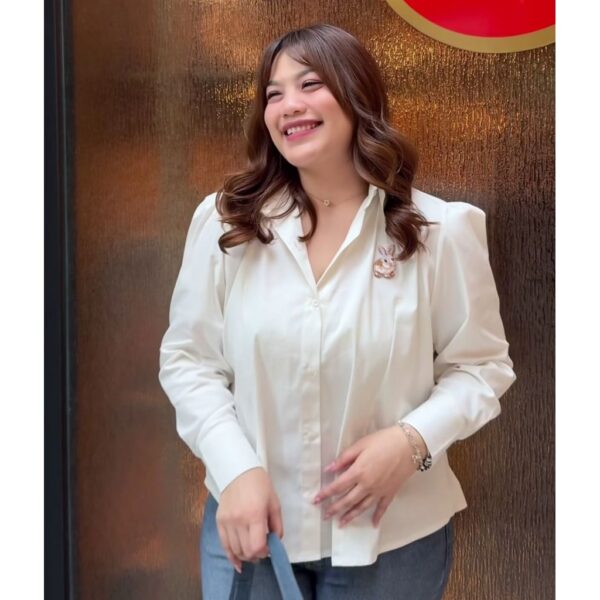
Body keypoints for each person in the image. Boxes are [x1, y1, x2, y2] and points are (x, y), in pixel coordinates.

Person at [159, 23, 516, 599]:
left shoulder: (439, 231)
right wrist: (236, 470)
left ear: (356, 95)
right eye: (273, 93)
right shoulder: (228, 224)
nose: (288, 105)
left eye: (310, 84)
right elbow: (189, 361)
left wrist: (410, 442)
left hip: (393, 538)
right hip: (253, 532)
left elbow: (481, 369)